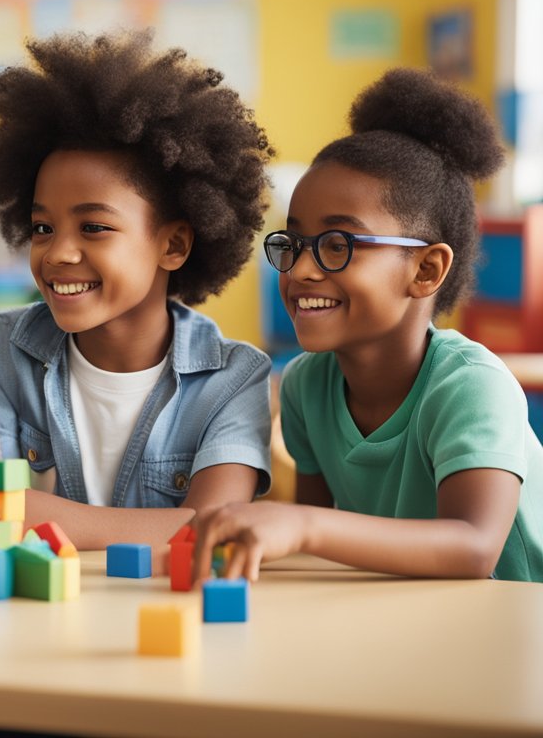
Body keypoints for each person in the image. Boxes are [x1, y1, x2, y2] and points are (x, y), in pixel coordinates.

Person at [193, 68, 543, 583]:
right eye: (294, 243)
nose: (302, 268)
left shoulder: (470, 386)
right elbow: (317, 558)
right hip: (411, 620)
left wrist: (304, 524)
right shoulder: (307, 385)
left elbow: (473, 547)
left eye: (339, 245)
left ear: (426, 270)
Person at [0, 31, 275, 550]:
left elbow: (216, 530)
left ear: (173, 244)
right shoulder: (7, 346)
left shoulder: (234, 380)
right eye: (43, 228)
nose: (58, 252)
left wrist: (22, 511)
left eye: (93, 228)